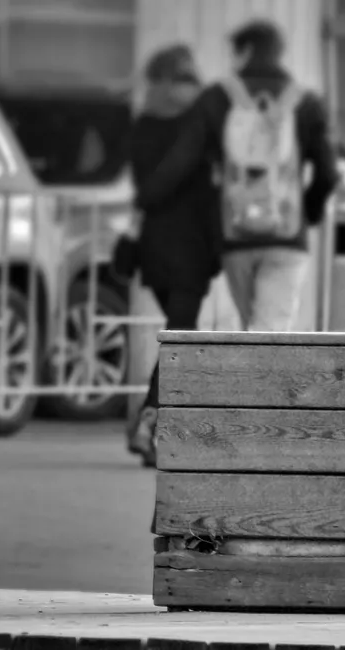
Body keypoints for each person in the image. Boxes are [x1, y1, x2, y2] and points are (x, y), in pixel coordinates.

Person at [136, 20, 339, 333]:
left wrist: (145, 198)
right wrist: (309, 212)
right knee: (269, 331)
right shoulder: (306, 102)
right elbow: (328, 173)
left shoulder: (217, 98)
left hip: (237, 235)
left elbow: (182, 161)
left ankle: (256, 366)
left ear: (245, 51)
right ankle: (261, 366)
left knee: (255, 332)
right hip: (287, 236)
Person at [124, 45, 222, 467]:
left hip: (154, 248)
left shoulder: (142, 126)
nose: (193, 85)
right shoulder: (197, 125)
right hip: (190, 249)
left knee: (179, 333)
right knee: (181, 336)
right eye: (187, 77)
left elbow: (142, 182)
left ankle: (153, 422)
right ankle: (149, 423)